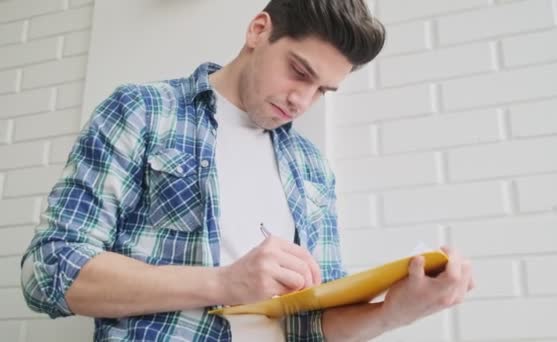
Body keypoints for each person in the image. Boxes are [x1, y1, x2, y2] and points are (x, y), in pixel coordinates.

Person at [20, 0, 474, 341]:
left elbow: (310, 328)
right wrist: (222, 283)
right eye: (299, 71)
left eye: (322, 91)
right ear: (259, 30)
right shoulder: (142, 111)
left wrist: (396, 310)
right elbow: (49, 270)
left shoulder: (312, 169)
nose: (301, 100)